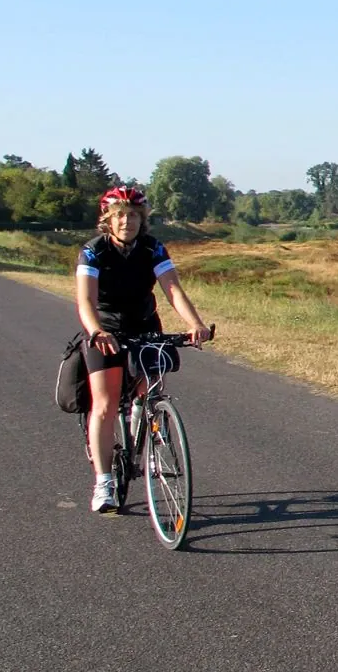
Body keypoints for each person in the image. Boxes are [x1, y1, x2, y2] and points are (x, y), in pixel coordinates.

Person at [76, 186, 213, 513]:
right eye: (120, 215)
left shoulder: (153, 248)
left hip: (144, 324)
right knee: (106, 404)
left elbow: (173, 291)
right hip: (106, 329)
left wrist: (195, 323)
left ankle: (146, 426)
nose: (127, 221)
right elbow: (85, 300)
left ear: (142, 219)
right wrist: (96, 330)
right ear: (108, 220)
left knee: (148, 392)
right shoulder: (93, 251)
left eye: (134, 215)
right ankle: (104, 481)